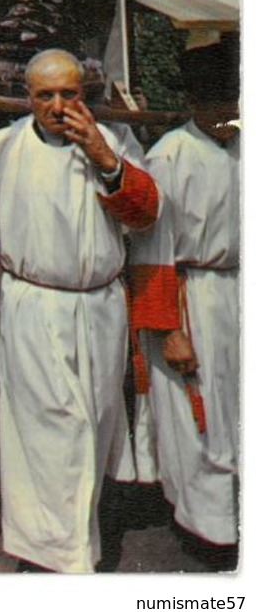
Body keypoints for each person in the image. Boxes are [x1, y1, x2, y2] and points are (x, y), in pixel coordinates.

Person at [0, 48, 161, 573]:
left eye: (70, 94)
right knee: (51, 432)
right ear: (29, 98)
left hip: (100, 308)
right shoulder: (2, 149)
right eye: (47, 95)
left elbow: (147, 214)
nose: (60, 105)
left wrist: (106, 162)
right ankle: (57, 559)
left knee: (95, 425)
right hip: (34, 308)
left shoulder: (112, 144)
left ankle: (75, 535)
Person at [130, 39, 239, 566]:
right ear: (194, 102)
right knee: (202, 414)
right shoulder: (171, 155)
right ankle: (208, 529)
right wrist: (168, 328)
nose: (229, 114)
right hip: (193, 295)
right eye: (216, 103)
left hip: (241, 293)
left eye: (235, 101)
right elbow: (151, 250)